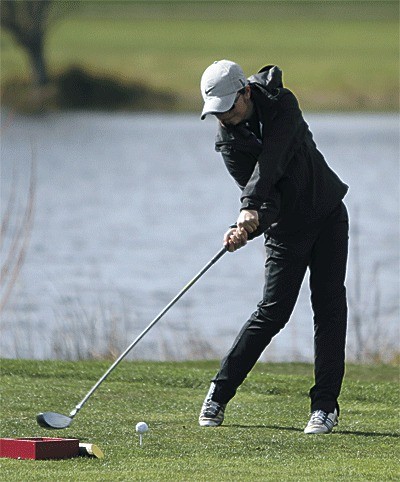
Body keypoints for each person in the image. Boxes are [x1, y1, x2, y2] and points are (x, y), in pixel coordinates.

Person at [198, 60, 349, 434]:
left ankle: (325, 407)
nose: (225, 118)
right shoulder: (229, 143)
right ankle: (219, 393)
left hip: (328, 212)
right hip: (287, 230)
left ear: (246, 93)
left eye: (228, 108)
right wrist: (246, 227)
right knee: (273, 312)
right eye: (216, 112)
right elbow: (272, 200)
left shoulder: (283, 103)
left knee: (328, 309)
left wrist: (249, 204)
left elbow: (274, 157)